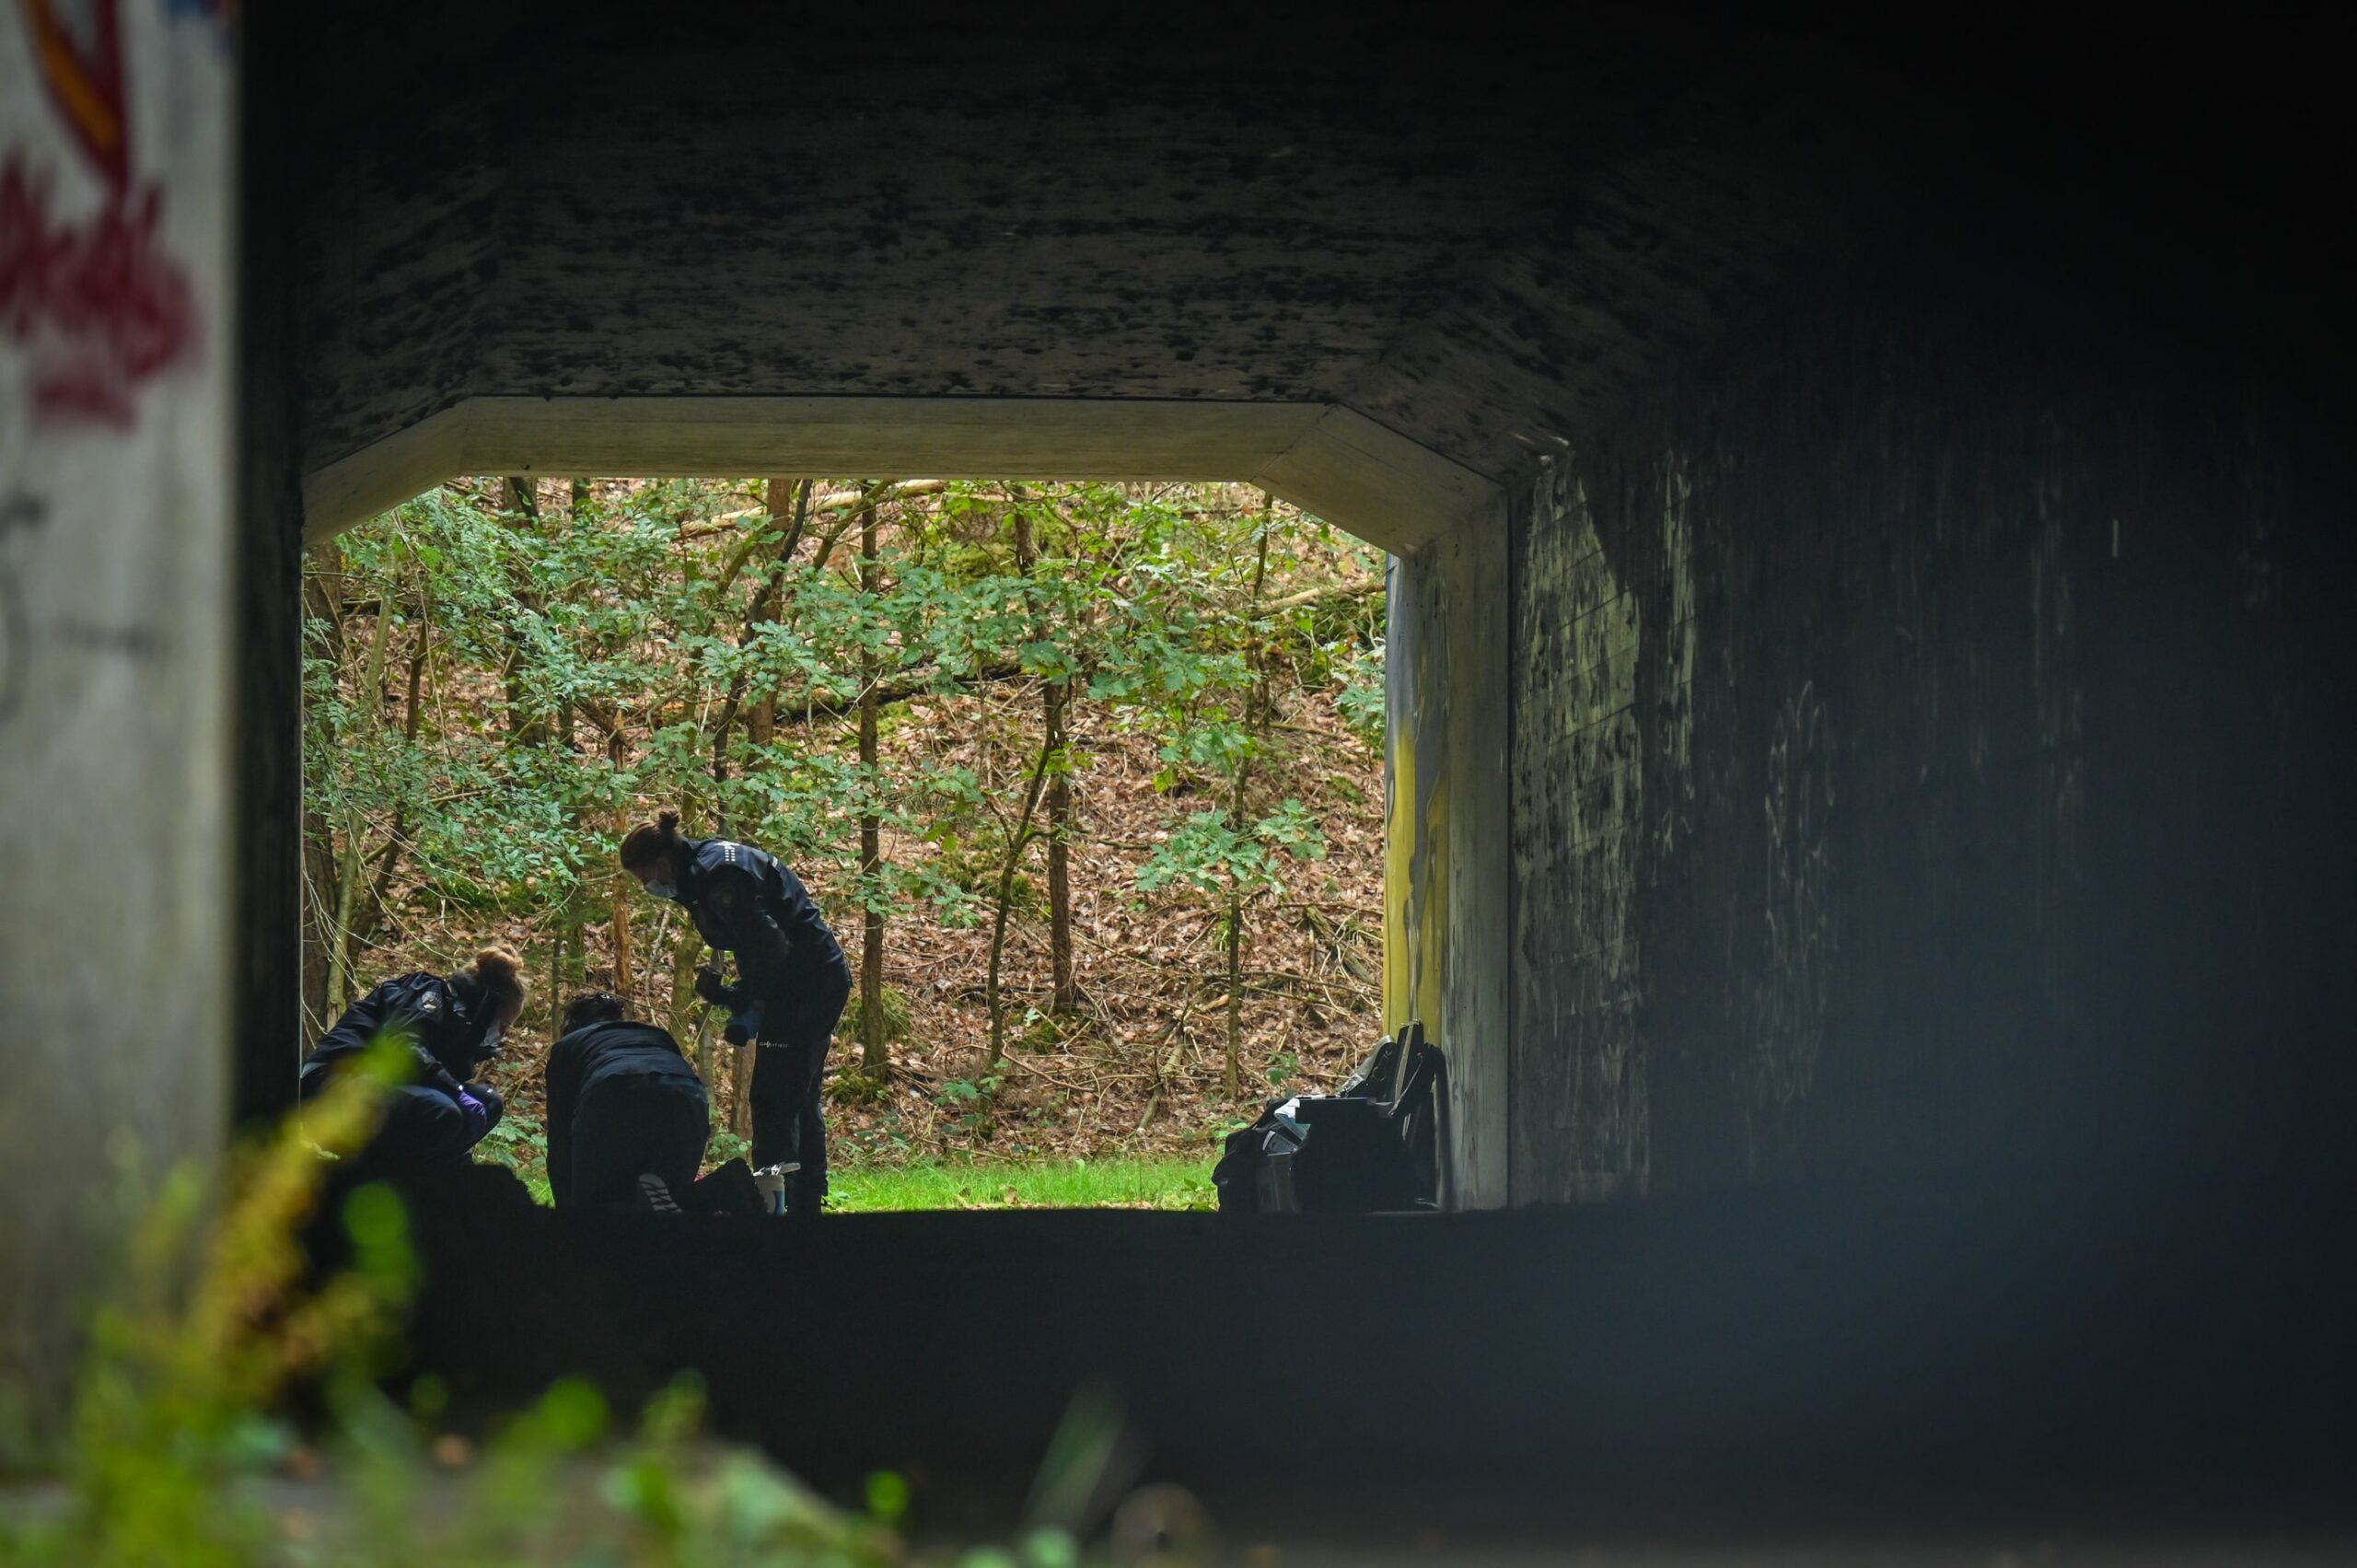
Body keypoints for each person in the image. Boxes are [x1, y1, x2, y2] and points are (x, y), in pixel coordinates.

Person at [618, 810, 850, 1216]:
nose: (647, 887)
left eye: (644, 879)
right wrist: (734, 994)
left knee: (774, 1098)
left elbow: (772, 947)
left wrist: (752, 1001)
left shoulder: (718, 876)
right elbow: (757, 948)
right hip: (802, 982)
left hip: (808, 987)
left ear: (660, 863)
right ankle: (805, 1200)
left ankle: (777, 1205)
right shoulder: (701, 872)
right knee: (799, 1092)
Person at [299, 947, 526, 1169]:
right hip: (333, 1083)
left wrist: (468, 1051)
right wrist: (455, 1088)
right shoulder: (427, 993)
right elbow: (404, 1045)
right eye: (503, 1025)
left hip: (378, 1089)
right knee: (443, 1111)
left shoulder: (460, 1025)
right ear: (487, 1006)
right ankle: (379, 1175)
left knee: (490, 1103)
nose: (502, 1034)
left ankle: (442, 1172)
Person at [543, 992, 710, 1213]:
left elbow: (560, 1140)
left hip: (612, 1090)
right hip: (688, 1095)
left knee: (595, 1209)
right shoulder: (656, 1035)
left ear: (572, 1027)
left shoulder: (569, 1045)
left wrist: (566, 1216)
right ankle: (720, 1191)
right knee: (671, 1196)